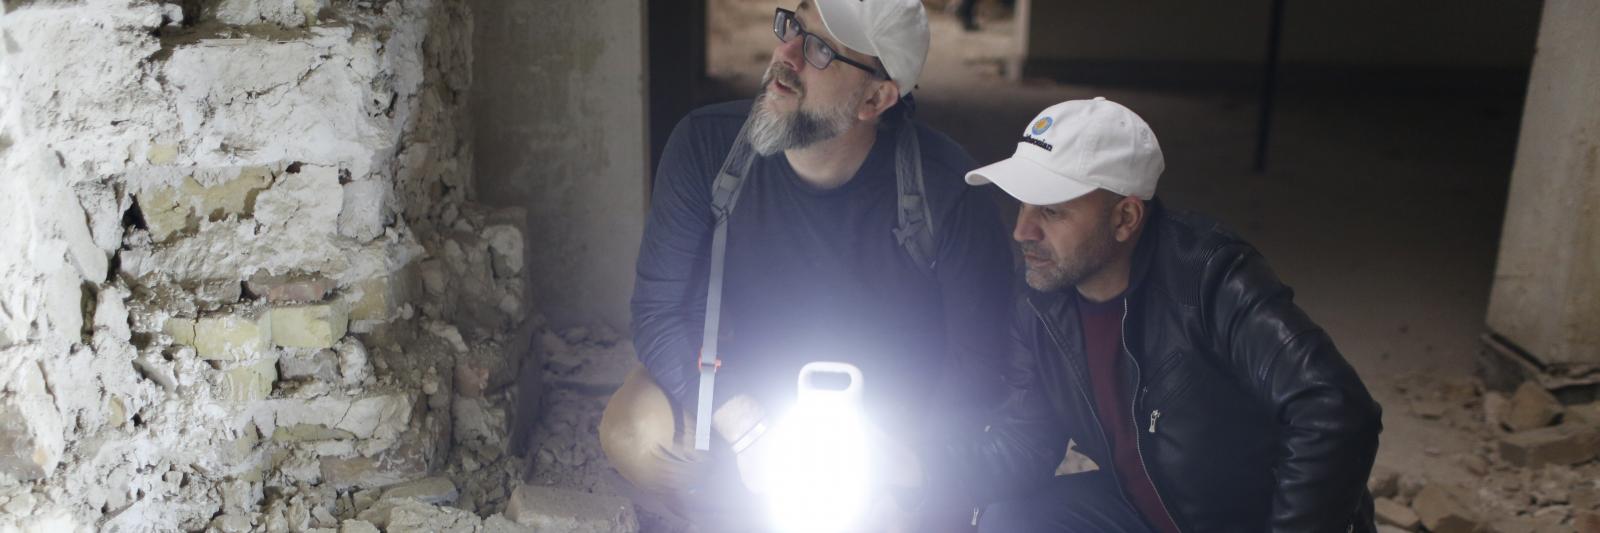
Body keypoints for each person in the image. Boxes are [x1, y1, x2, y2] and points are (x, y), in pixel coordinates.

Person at [598, 0, 1012, 529]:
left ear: (877, 97)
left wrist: (901, 463)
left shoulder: (946, 188)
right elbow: (657, 313)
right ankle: (733, 506)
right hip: (744, 399)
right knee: (636, 432)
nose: (786, 54)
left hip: (883, 420)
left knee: (923, 496)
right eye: (793, 25)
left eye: (820, 49)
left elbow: (982, 364)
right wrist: (745, 427)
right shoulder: (707, 146)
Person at [914, 97, 1384, 532]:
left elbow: (1336, 407)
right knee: (1011, 522)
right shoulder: (1042, 298)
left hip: (1248, 521)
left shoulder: (1210, 276)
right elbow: (1025, 444)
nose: (1022, 230)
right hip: (1146, 511)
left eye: (1052, 212)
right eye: (1023, 204)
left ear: (1125, 219)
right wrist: (913, 464)